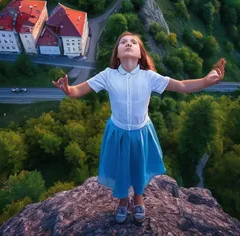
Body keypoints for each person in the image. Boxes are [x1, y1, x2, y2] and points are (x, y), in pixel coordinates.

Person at [52, 31, 226, 224]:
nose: (128, 43)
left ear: (141, 54)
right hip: (117, 132)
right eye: (123, 42)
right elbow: (79, 90)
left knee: (139, 167)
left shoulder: (149, 77)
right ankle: (123, 200)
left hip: (141, 132)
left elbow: (182, 86)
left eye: (133, 42)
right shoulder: (108, 75)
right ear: (117, 54)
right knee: (121, 168)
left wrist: (206, 80)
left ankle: (138, 198)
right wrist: (68, 90)